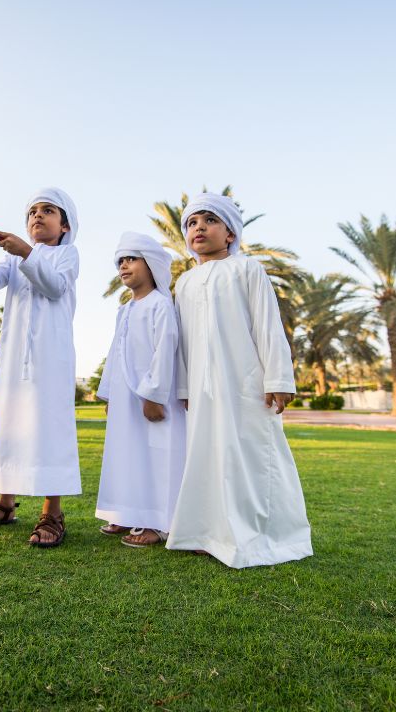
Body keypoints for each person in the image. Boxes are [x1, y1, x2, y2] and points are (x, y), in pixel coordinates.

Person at [167, 192, 313, 568]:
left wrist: (278, 378)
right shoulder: (183, 283)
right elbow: (181, 341)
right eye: (192, 223)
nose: (199, 228)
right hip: (202, 388)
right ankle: (209, 533)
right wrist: (184, 387)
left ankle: (264, 536)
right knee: (208, 458)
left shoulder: (247, 269)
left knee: (251, 458)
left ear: (230, 233)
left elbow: (267, 325)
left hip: (247, 383)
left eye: (209, 221)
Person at [0, 189, 80, 548]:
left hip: (51, 359)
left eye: (47, 211)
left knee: (49, 429)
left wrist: (25, 252)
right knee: (10, 425)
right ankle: (5, 505)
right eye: (32, 212)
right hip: (13, 358)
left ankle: (52, 513)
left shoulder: (67, 255)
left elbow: (56, 287)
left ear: (65, 225)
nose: (37, 216)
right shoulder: (13, 260)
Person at [95, 232, 187, 548]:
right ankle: (128, 512)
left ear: (152, 265)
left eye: (131, 259)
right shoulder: (125, 309)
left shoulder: (161, 305)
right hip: (125, 399)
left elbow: (166, 351)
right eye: (120, 260)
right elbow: (115, 353)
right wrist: (108, 393)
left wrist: (153, 396)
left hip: (152, 400)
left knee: (158, 458)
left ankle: (159, 524)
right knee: (127, 455)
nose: (124, 266)